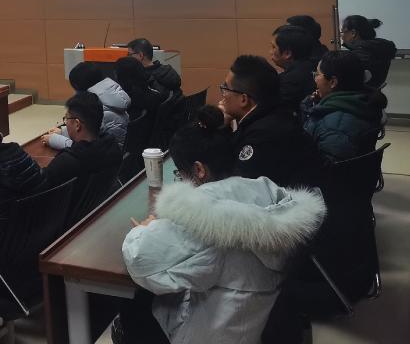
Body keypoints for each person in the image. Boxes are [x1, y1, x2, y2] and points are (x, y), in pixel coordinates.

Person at [118, 105, 326, 344]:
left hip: (214, 332)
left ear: (199, 170)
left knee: (134, 305)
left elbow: (141, 261)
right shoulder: (266, 189)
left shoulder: (206, 218)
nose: (181, 181)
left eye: (180, 174)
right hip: (256, 323)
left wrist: (144, 230)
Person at [217, 55, 321, 187]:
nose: (223, 94)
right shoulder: (277, 114)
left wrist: (218, 129)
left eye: (225, 88)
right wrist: (224, 127)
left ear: (243, 100)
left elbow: (235, 185)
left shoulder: (263, 136)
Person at [42, 92, 121, 220]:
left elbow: (40, 188)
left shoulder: (67, 162)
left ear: (77, 124)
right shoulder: (113, 147)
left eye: (66, 119)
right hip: (101, 211)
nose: (65, 123)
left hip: (69, 223)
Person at [301, 50, 384, 161]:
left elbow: (327, 166)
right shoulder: (363, 102)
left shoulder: (333, 127)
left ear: (333, 82)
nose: (315, 79)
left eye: (317, 74)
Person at [46, 62, 130, 149]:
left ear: (80, 88)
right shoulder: (110, 94)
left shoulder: (97, 104)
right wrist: (63, 132)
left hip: (106, 154)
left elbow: (87, 147)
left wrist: (55, 140)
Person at [341, 15, 397, 89]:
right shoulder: (378, 48)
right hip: (372, 93)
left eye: (343, 32)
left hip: (358, 94)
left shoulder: (361, 53)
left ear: (353, 33)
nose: (342, 36)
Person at [270, 25, 316, 111]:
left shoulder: (290, 81)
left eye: (273, 47)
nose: (270, 52)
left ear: (287, 54)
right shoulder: (311, 66)